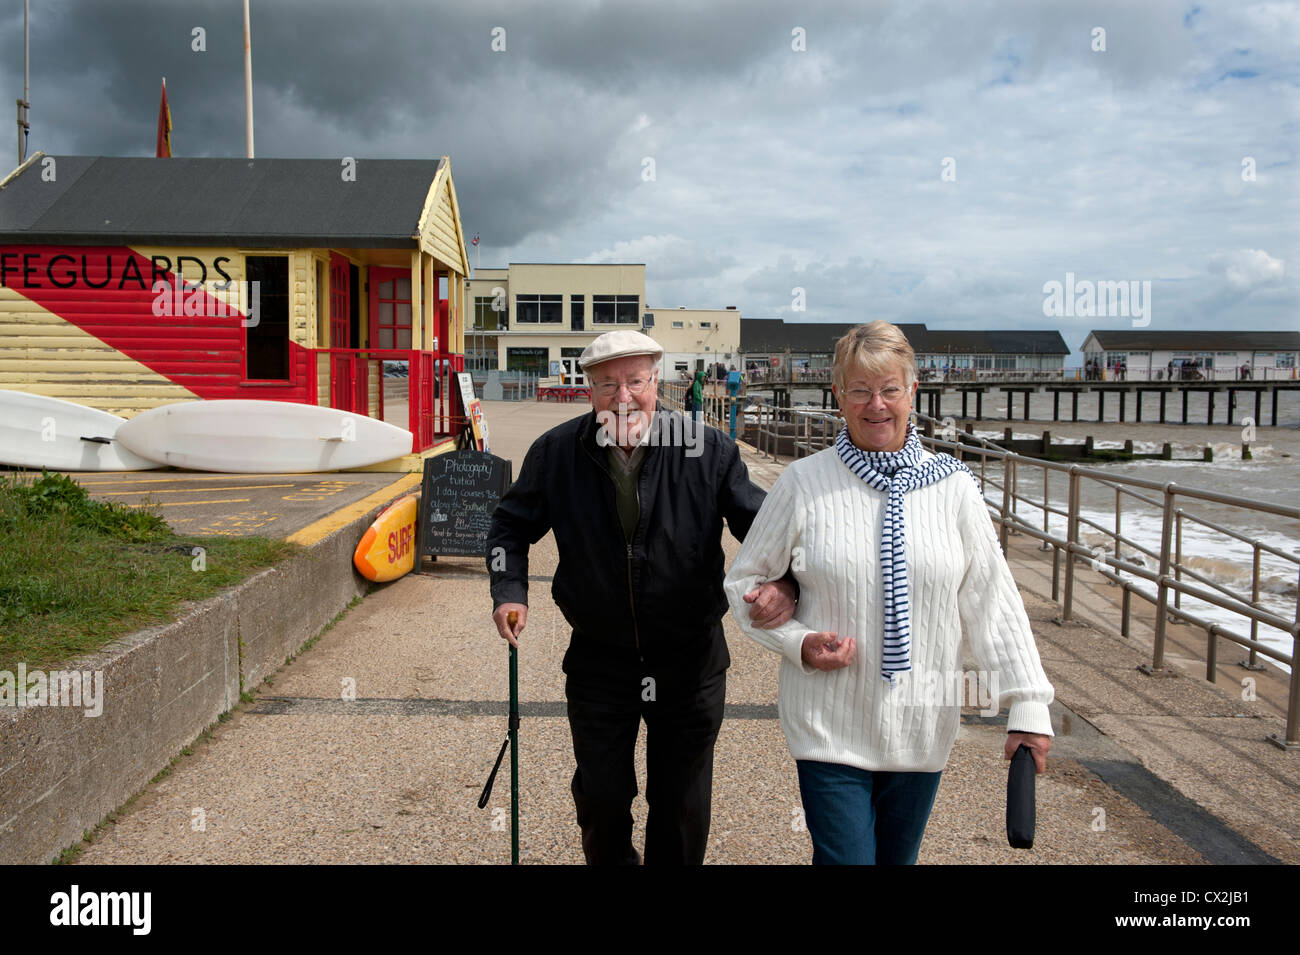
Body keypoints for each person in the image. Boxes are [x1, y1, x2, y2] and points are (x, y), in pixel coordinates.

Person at [723, 321, 1054, 865]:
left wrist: (1029, 706)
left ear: (912, 391)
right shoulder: (804, 482)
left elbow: (992, 601)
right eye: (860, 390)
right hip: (828, 724)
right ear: (838, 396)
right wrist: (798, 642)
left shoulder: (954, 488)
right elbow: (743, 585)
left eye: (889, 389)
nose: (876, 405)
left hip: (921, 726)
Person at [487, 329, 797, 865]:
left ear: (657, 382)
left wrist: (787, 581)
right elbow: (509, 527)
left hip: (689, 659)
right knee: (602, 797)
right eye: (608, 385)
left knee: (680, 802)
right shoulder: (558, 452)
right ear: (588, 389)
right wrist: (509, 589)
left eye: (635, 381)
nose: (623, 397)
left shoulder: (711, 451)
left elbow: (769, 530)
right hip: (599, 658)